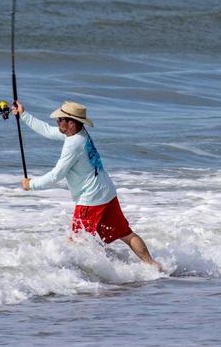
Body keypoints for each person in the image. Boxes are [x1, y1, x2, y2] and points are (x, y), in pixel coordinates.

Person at [12, 99, 161, 270]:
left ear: (72, 123)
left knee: (75, 241)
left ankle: (93, 278)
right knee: (125, 234)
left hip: (91, 199)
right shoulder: (79, 134)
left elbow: (56, 175)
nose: (57, 122)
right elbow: (47, 130)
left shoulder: (73, 144)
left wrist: (31, 184)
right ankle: (154, 267)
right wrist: (24, 115)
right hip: (106, 192)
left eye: (60, 119)